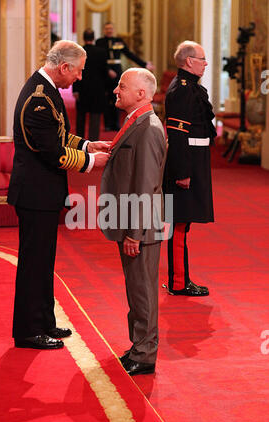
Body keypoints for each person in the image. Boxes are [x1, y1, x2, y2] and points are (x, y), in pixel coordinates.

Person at [7, 40, 110, 350]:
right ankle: (28, 331)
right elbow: (51, 151)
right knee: (33, 264)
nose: (79, 77)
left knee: (44, 261)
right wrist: (92, 163)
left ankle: (44, 321)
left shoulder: (46, 89)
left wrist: (87, 145)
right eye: (77, 71)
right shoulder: (39, 98)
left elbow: (60, 134)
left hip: (42, 193)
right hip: (35, 194)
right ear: (64, 67)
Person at [100, 68, 167, 376]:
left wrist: (136, 234)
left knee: (143, 290)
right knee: (137, 289)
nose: (116, 90)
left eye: (122, 86)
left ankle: (145, 354)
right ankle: (138, 345)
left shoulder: (149, 126)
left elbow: (147, 186)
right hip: (131, 221)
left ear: (141, 94)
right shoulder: (135, 121)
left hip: (141, 225)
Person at [162, 41, 217, 297]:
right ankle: (178, 282)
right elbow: (178, 134)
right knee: (180, 224)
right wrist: (182, 172)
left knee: (184, 223)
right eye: (202, 59)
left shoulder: (189, 86)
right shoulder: (182, 90)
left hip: (194, 160)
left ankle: (181, 280)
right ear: (188, 61)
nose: (206, 63)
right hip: (186, 163)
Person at [96, 22, 154, 131]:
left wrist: (145, 64)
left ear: (113, 30)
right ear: (104, 30)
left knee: (117, 97)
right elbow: (99, 59)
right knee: (106, 97)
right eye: (107, 29)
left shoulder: (118, 42)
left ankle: (116, 123)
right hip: (105, 71)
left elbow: (129, 54)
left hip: (117, 71)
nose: (109, 30)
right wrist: (107, 69)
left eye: (111, 29)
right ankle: (107, 124)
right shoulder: (100, 42)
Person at [73, 28, 108, 141]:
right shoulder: (101, 52)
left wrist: (75, 89)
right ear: (94, 38)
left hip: (82, 88)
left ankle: (79, 141)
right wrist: (105, 89)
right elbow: (104, 72)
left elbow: (75, 71)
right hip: (97, 88)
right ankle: (93, 142)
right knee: (95, 117)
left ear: (83, 38)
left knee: (80, 117)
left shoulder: (78, 52)